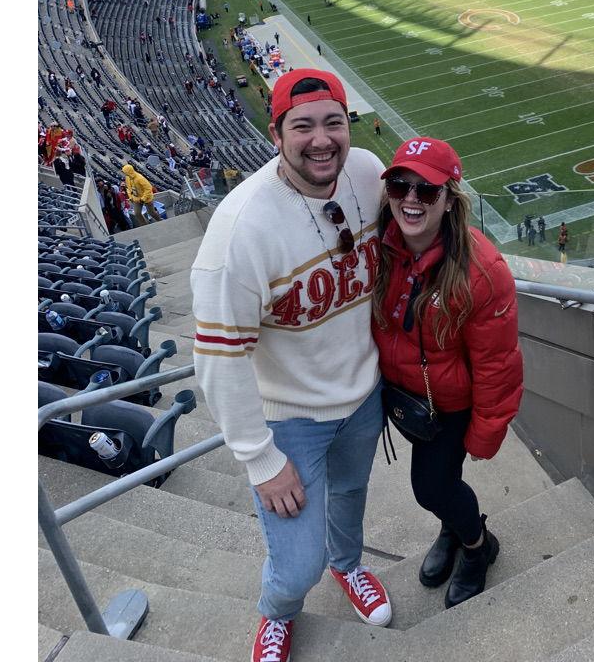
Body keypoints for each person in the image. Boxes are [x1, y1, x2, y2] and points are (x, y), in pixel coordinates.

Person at [191, 69, 392, 662]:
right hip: (290, 416)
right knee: (297, 562)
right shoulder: (241, 231)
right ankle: (278, 611)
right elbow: (219, 360)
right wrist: (260, 460)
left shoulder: (367, 171)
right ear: (275, 133)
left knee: (351, 496)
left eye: (334, 122)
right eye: (303, 126)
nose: (322, 139)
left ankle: (347, 566)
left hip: (363, 393)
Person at [372, 138, 523, 609]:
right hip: (406, 398)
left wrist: (486, 432)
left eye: (427, 190)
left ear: (450, 199)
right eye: (400, 186)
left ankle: (478, 545)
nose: (411, 199)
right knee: (443, 483)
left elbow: (498, 363)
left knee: (431, 487)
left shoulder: (481, 269)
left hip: (451, 406)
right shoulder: (379, 244)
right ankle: (452, 529)